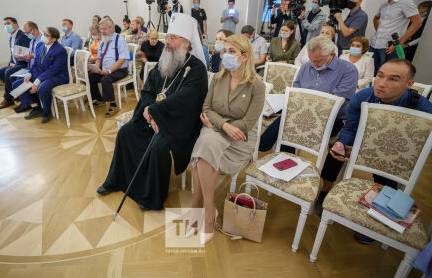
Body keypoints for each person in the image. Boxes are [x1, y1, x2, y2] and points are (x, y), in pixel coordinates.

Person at [96, 13, 208, 211]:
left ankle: (151, 197)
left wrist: (157, 112)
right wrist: (148, 109)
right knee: (126, 133)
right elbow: (148, 89)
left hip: (178, 122)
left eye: (173, 38)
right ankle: (117, 180)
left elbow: (186, 100)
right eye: (169, 37)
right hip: (154, 115)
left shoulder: (196, 69)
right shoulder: (166, 60)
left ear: (187, 43)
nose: (168, 43)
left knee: (158, 147)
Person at [314, 59, 432, 243]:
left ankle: (380, 215)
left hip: (394, 151)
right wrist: (342, 144)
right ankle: (325, 191)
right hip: (361, 138)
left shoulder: (423, 109)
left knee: (387, 172)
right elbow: (351, 127)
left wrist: (378, 153)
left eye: (393, 79)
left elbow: (419, 147)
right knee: (334, 153)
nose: (382, 83)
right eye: (380, 76)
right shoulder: (362, 96)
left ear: (409, 84)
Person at [189, 34, 265, 244]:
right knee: (207, 143)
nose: (226, 56)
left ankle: (200, 207)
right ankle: (207, 209)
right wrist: (224, 125)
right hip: (215, 129)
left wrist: (227, 127)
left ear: (245, 56)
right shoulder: (218, 78)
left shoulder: (256, 85)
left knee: (203, 149)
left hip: (239, 139)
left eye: (232, 52)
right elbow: (206, 108)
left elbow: (249, 122)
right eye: (224, 51)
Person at [259, 36, 358, 152]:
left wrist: (303, 107)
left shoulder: (348, 70)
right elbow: (296, 91)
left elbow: (336, 103)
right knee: (287, 121)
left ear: (331, 55)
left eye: (317, 61)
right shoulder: (307, 66)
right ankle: (283, 158)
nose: (313, 64)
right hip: (301, 112)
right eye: (311, 59)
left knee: (286, 122)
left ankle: (262, 147)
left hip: (331, 118)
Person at [11, 27, 69, 123]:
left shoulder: (60, 50)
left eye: (46, 35)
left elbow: (54, 69)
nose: (43, 36)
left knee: (42, 87)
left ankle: (47, 112)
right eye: (44, 33)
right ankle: (36, 108)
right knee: (16, 85)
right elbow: (36, 63)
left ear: (54, 39)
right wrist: (29, 73)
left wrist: (38, 80)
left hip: (57, 76)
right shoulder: (40, 45)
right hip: (40, 73)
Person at [370, 0, 422, 73]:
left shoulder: (406, 1)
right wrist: (379, 32)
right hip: (374, 44)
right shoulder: (384, 4)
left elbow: (417, 22)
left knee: (386, 74)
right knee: (371, 72)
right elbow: (376, 18)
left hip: (389, 47)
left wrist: (399, 43)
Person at [87, 18, 131, 117]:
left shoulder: (120, 40)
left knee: (105, 79)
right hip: (104, 69)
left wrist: (109, 71)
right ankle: (99, 99)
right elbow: (98, 58)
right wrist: (96, 68)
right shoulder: (103, 41)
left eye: (104, 29)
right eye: (101, 29)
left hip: (120, 70)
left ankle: (113, 105)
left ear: (112, 28)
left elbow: (122, 60)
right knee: (90, 76)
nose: (102, 31)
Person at [0, 17, 31, 110]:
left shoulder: (23, 36)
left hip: (24, 64)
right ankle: (16, 94)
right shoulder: (12, 38)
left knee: (8, 72)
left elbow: (26, 54)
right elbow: (13, 53)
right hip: (16, 63)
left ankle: (8, 98)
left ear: (15, 24)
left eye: (8, 23)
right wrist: (11, 62)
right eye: (4, 24)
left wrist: (16, 63)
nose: (6, 26)